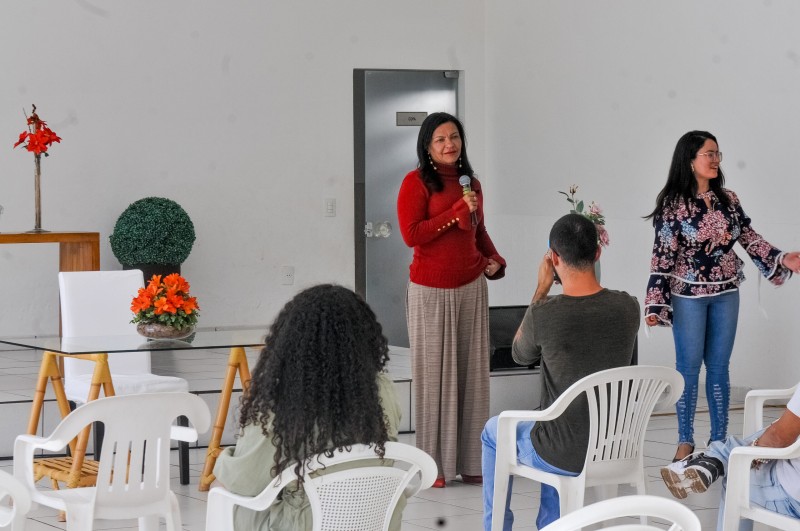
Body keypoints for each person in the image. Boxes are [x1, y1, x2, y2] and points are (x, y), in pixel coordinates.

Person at [644, 130, 800, 463]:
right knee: (687, 369)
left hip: (727, 290)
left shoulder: (728, 199)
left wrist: (781, 258)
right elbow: (661, 256)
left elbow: (749, 237)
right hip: (687, 294)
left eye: (717, 154)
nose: (715, 160)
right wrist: (656, 301)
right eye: (708, 154)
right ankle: (685, 441)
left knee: (718, 369)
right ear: (690, 159)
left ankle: (717, 444)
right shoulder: (673, 205)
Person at [481, 213, 640, 530]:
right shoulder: (629, 307)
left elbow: (518, 353)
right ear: (597, 253)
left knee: (493, 432)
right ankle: (550, 524)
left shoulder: (547, 313)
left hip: (563, 452)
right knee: (556, 423)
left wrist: (540, 290)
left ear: (553, 258)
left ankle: (496, 526)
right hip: (615, 447)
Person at [212, 284, 404, 531]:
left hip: (307, 523)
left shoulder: (283, 401)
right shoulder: (383, 389)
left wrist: (223, 460)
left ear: (291, 340)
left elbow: (244, 481)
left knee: (220, 492)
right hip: (375, 520)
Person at [397, 111, 506, 488]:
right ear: (427, 146)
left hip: (471, 286)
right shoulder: (415, 182)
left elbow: (478, 231)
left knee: (473, 377)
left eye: (454, 137)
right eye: (441, 139)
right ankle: (434, 466)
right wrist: (456, 211)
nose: (450, 145)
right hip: (430, 291)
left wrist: (495, 259)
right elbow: (413, 235)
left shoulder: (470, 183)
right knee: (434, 379)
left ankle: (472, 462)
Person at [660, 383, 800, 530]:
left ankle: (711, 460)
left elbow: (777, 438)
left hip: (793, 501)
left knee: (736, 476)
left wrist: (752, 455)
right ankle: (712, 460)